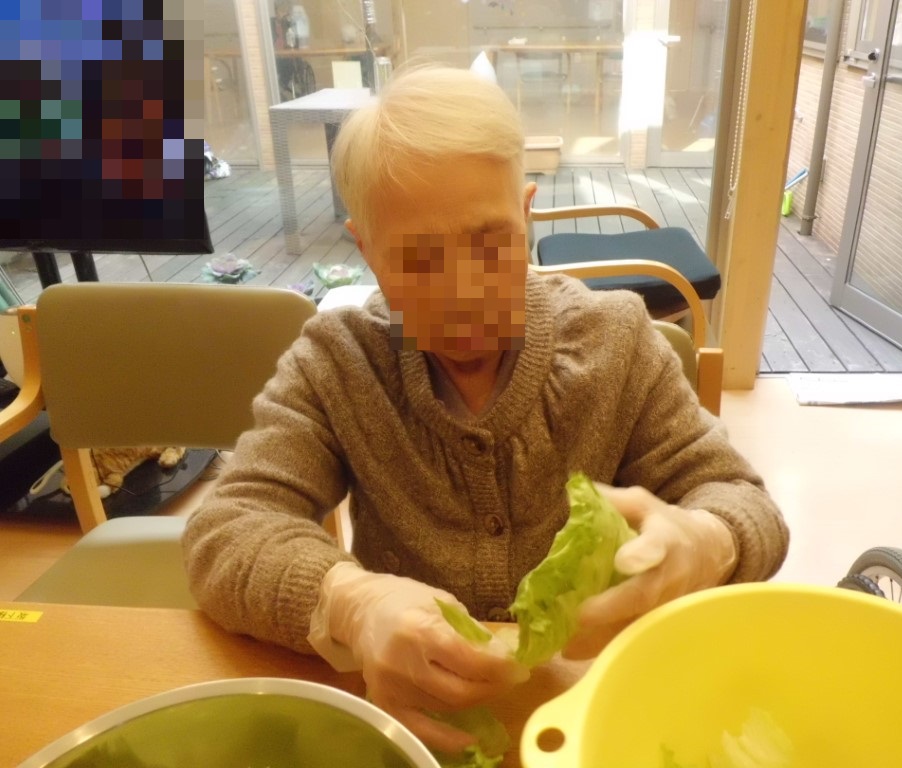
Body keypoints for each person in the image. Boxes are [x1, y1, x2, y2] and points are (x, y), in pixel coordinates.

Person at [183, 65, 788, 754]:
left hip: (598, 717)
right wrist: (352, 601)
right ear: (367, 250)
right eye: (418, 259)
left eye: (490, 242)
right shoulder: (339, 362)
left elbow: (746, 504)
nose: (463, 291)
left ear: (525, 216)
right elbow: (225, 531)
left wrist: (706, 540)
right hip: (416, 726)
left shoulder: (618, 342)